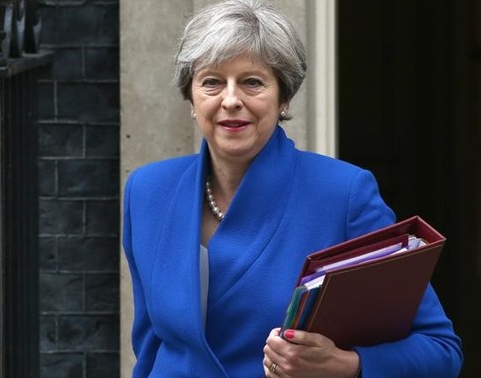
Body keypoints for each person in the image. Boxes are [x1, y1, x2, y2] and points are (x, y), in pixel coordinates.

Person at [121, 0, 464, 376]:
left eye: (252, 82)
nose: (231, 100)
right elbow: (150, 350)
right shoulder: (147, 191)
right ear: (191, 98)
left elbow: (440, 351)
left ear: (284, 98)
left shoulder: (343, 195)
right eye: (212, 82)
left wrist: (347, 366)